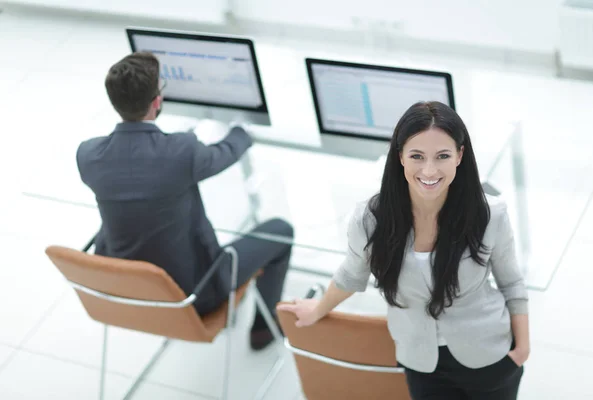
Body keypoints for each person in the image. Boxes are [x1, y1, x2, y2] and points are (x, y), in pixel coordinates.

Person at [278, 101, 530, 399]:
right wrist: (318, 308)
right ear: (400, 157)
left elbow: (511, 282)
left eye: (443, 156)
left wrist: (522, 347)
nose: (429, 170)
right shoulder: (370, 219)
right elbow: (351, 274)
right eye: (417, 156)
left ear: (460, 156)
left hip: (487, 353)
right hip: (420, 360)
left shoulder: (490, 215)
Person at [77, 52, 293, 350]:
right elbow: (224, 152)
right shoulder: (181, 152)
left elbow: (138, 172)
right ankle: (262, 330)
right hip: (193, 295)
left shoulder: (88, 155)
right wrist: (243, 129)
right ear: (157, 101)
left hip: (129, 292)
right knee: (280, 230)